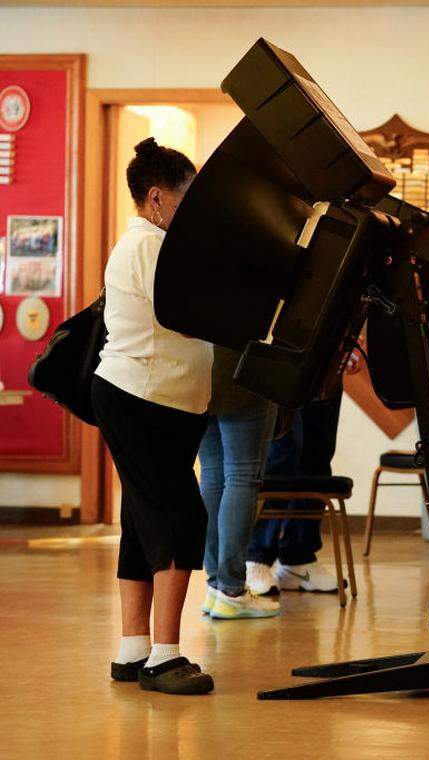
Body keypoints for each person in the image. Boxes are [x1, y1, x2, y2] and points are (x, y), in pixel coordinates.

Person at [93, 138, 215, 695]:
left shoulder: (155, 244)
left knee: (144, 522)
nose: (192, 209)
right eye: (186, 198)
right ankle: (165, 657)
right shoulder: (146, 245)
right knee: (181, 517)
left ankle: (132, 649)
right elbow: (191, 317)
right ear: (156, 197)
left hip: (159, 401)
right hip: (142, 397)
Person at [198, 346, 280, 619]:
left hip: (197, 366)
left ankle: (216, 587)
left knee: (211, 474)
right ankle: (232, 590)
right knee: (242, 475)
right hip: (245, 363)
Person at [244, 390, 344, 596]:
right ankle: (256, 558)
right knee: (282, 451)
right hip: (284, 362)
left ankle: (298, 557)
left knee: (317, 455)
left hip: (327, 365)